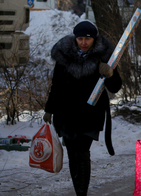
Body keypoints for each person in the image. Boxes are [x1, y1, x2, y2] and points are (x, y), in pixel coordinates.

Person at [42, 20, 122, 196]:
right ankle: (78, 189)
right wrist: (49, 109)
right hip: (66, 114)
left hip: (90, 114)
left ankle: (82, 192)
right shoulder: (64, 56)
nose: (84, 43)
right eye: (80, 39)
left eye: (87, 39)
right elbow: (56, 85)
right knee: (72, 153)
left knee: (82, 152)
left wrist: (110, 74)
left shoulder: (103, 56)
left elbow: (115, 87)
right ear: (75, 38)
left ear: (94, 38)